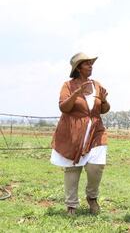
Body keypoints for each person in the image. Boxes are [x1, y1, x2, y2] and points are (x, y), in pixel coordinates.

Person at [50, 52, 110, 216]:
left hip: (95, 131)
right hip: (73, 132)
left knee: (95, 167)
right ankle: (71, 205)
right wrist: (76, 93)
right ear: (78, 68)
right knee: (72, 168)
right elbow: (64, 107)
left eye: (92, 63)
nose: (91, 66)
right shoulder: (68, 85)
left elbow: (103, 109)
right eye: (87, 64)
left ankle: (92, 197)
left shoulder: (97, 85)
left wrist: (104, 100)